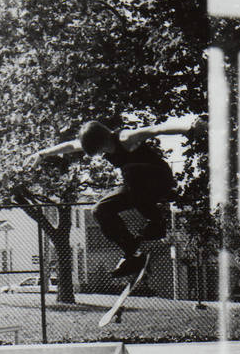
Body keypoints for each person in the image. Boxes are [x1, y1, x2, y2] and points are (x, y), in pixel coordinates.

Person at [27, 114, 205, 279]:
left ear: (102, 140)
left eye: (100, 149)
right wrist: (42, 154)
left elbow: (156, 129)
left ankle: (156, 221)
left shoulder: (125, 138)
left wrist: (189, 128)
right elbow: (71, 146)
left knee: (129, 171)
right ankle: (132, 253)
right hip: (137, 189)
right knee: (100, 210)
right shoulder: (95, 142)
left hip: (159, 179)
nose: (102, 153)